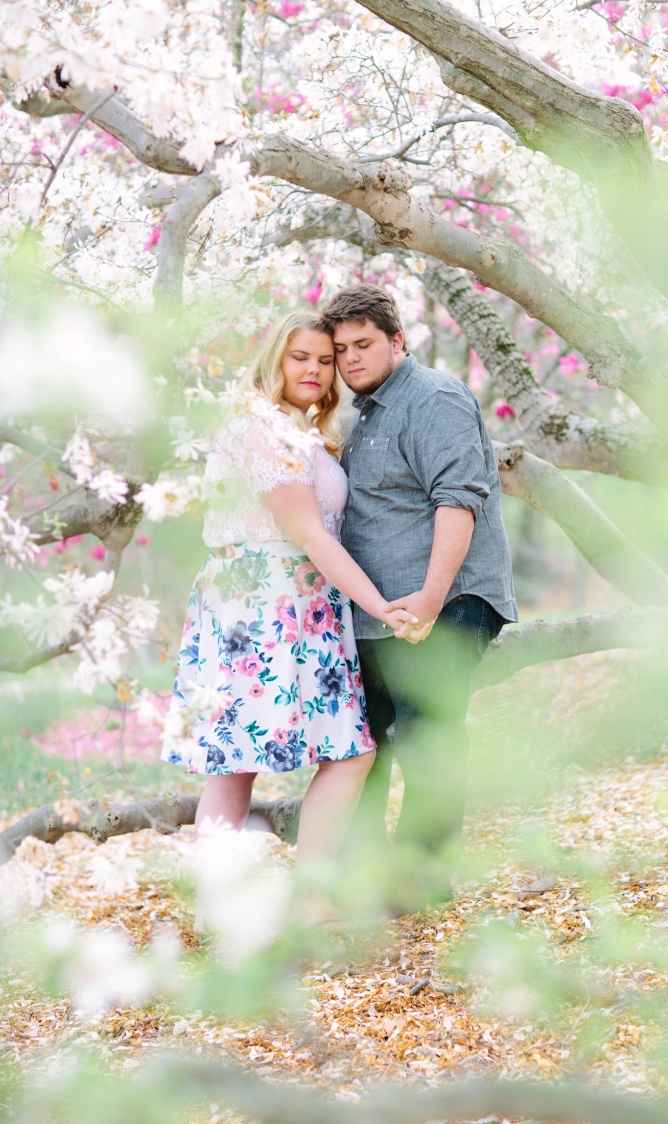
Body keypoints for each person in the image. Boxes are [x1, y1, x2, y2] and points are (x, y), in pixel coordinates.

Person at [161, 310, 420, 923]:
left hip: (308, 610)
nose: (315, 369)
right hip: (259, 607)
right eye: (299, 356)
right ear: (275, 359)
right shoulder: (260, 428)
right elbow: (311, 535)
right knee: (237, 762)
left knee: (348, 753)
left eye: (325, 360)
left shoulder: (301, 430)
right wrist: (379, 604)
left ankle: (309, 898)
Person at [320, 284, 518, 910]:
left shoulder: (433, 398)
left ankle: (418, 887)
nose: (350, 358)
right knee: (364, 747)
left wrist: (432, 600)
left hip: (444, 603)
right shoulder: (366, 412)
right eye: (340, 349)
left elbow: (457, 500)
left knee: (429, 742)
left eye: (364, 344)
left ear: (397, 339)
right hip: (379, 613)